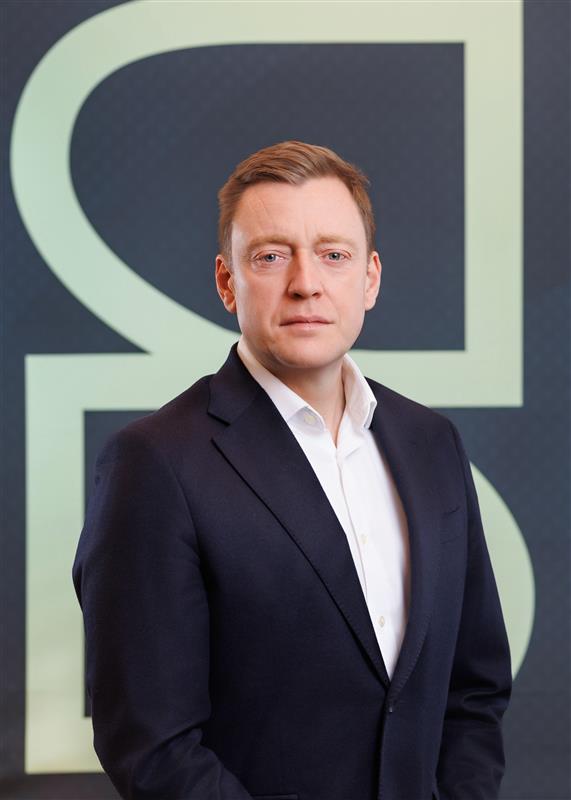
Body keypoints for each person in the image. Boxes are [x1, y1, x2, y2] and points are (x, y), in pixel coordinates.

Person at [73, 140, 511, 800]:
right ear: (227, 282)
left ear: (368, 279)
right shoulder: (155, 463)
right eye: (272, 256)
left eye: (333, 255)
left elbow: (472, 690)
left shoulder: (432, 444)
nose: (306, 281)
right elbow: (153, 745)